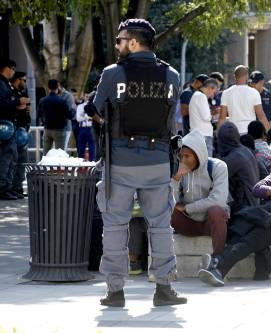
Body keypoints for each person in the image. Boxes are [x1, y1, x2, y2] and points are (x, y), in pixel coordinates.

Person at [85, 18, 186, 307]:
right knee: (160, 226)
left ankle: (115, 292)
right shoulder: (172, 75)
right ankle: (164, 289)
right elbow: (170, 119)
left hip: (120, 163)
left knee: (116, 227)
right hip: (157, 162)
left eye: (120, 40)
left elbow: (95, 106)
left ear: (133, 42)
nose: (117, 44)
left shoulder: (113, 73)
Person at [198, 137, 271, 286]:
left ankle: (217, 261)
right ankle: (219, 271)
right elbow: (256, 189)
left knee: (250, 240)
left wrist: (270, 194)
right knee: (238, 231)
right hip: (262, 215)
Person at [170, 129, 230, 256]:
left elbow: (218, 200)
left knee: (217, 211)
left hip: (211, 222)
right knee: (166, 209)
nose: (183, 160)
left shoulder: (218, 167)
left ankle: (217, 259)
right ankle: (165, 263)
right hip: (189, 223)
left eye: (187, 156)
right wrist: (175, 181)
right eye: (181, 156)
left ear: (199, 155)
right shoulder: (179, 169)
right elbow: (171, 203)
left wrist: (187, 208)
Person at [0, 59, 29, 200]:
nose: (13, 72)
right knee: (7, 157)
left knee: (12, 157)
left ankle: (8, 187)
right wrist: (18, 102)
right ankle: (3, 188)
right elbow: (2, 103)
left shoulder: (5, 84)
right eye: (12, 69)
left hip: (10, 126)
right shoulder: (1, 84)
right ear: (7, 68)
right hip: (4, 126)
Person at [217, 122, 260, 213]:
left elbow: (214, 176)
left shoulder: (234, 158)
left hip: (244, 209)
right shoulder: (245, 150)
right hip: (254, 203)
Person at [217, 65, 270, 135]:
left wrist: (218, 135)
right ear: (247, 76)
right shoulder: (254, 92)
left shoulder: (226, 93)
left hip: (234, 131)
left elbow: (222, 118)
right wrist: (269, 134)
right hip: (251, 131)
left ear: (234, 76)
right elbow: (261, 116)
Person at [11, 71, 31, 198]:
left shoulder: (22, 93)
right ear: (18, 80)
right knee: (14, 160)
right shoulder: (11, 93)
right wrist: (20, 107)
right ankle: (13, 187)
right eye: (23, 80)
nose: (25, 82)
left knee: (22, 160)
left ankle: (17, 186)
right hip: (14, 129)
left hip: (22, 129)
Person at [38, 79, 73, 155]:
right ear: (58, 87)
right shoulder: (61, 101)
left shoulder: (43, 100)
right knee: (59, 154)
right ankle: (58, 167)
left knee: (45, 153)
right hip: (59, 130)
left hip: (47, 129)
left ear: (48, 87)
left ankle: (45, 166)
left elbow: (39, 114)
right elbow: (69, 115)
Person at [188, 78, 218, 157]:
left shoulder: (196, 95)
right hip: (204, 136)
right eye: (214, 92)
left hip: (198, 135)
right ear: (210, 88)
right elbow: (206, 117)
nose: (213, 96)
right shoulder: (201, 96)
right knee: (207, 164)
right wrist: (214, 115)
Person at [75, 93, 95, 160]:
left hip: (91, 128)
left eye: (88, 96)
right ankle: (80, 165)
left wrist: (83, 116)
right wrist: (86, 117)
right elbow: (78, 119)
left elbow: (94, 118)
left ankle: (92, 164)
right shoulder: (80, 106)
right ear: (83, 97)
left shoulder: (93, 106)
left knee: (92, 148)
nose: (87, 98)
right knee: (81, 148)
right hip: (82, 128)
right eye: (86, 96)